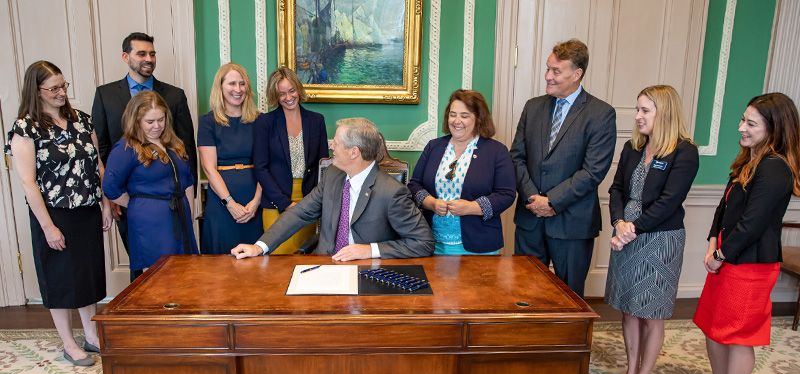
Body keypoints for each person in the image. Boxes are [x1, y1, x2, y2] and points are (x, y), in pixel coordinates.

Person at [692, 93, 800, 374]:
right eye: (743, 119)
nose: (741, 127)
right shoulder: (749, 160)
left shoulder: (775, 168)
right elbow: (724, 209)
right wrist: (712, 243)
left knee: (737, 335)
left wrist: (722, 254)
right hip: (726, 259)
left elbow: (751, 224)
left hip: (750, 265)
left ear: (774, 128)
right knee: (714, 329)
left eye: (751, 123)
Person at [5, 61, 113, 366]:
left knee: (88, 276)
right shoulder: (26, 128)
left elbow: (98, 167)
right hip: (54, 214)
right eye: (53, 88)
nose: (61, 93)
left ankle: (91, 336)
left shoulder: (82, 120)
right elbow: (28, 182)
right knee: (61, 279)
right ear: (36, 91)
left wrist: (104, 204)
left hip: (87, 210)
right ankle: (68, 343)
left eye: (63, 86)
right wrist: (48, 227)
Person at [600, 85, 699, 374]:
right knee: (629, 309)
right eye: (638, 109)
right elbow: (616, 189)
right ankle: (630, 371)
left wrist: (633, 228)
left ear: (664, 113)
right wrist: (619, 223)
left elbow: (670, 201)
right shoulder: (632, 147)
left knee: (651, 312)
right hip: (625, 234)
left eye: (645, 110)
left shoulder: (684, 152)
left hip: (660, 240)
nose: (638, 116)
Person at [232, 118, 434, 260]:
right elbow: (299, 214)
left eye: (336, 144)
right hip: (325, 266)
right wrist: (259, 247)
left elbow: (423, 242)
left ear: (354, 152)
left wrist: (369, 250)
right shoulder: (332, 176)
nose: (331, 148)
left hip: (368, 273)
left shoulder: (392, 192)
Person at [509, 38, 616, 296]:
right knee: (524, 294)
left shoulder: (601, 114)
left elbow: (593, 172)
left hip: (572, 223)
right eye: (548, 68)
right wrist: (535, 198)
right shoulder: (533, 107)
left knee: (569, 297)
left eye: (556, 71)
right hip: (529, 218)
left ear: (577, 74)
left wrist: (552, 201)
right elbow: (516, 157)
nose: (548, 76)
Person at [92, 32, 197, 266]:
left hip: (177, 210)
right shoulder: (105, 96)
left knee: (183, 272)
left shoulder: (174, 96)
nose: (148, 58)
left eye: (152, 53)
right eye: (141, 53)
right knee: (150, 274)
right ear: (125, 56)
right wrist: (130, 202)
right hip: (141, 211)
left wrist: (188, 208)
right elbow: (102, 149)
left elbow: (187, 154)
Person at [408, 89, 516, 255]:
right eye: (453, 114)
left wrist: (471, 207)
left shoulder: (496, 151)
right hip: (431, 242)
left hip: (479, 245)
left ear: (478, 119)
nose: (457, 121)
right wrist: (432, 203)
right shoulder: (433, 147)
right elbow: (415, 185)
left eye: (464, 116)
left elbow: (506, 194)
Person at [103, 91, 198, 277]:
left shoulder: (174, 143)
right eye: (150, 122)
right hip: (150, 221)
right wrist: (137, 203)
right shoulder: (126, 148)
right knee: (158, 276)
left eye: (161, 120)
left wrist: (190, 216)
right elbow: (110, 187)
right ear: (136, 120)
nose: (157, 126)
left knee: (185, 273)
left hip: (180, 216)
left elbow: (187, 182)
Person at [253, 66, 327, 254]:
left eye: (291, 91)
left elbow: (323, 166)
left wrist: (316, 203)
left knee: (305, 258)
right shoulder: (265, 122)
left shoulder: (316, 120)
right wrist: (284, 203)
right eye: (282, 94)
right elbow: (260, 168)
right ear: (275, 96)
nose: (288, 97)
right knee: (279, 261)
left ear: (298, 89)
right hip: (276, 203)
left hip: (308, 202)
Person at [198, 63, 263, 254]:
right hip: (221, 204)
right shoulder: (208, 122)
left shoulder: (260, 120)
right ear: (220, 87)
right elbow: (209, 169)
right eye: (232, 84)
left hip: (254, 203)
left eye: (242, 84)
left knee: (257, 264)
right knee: (222, 265)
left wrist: (256, 201)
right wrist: (231, 203)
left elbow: (265, 165)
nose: (238, 89)